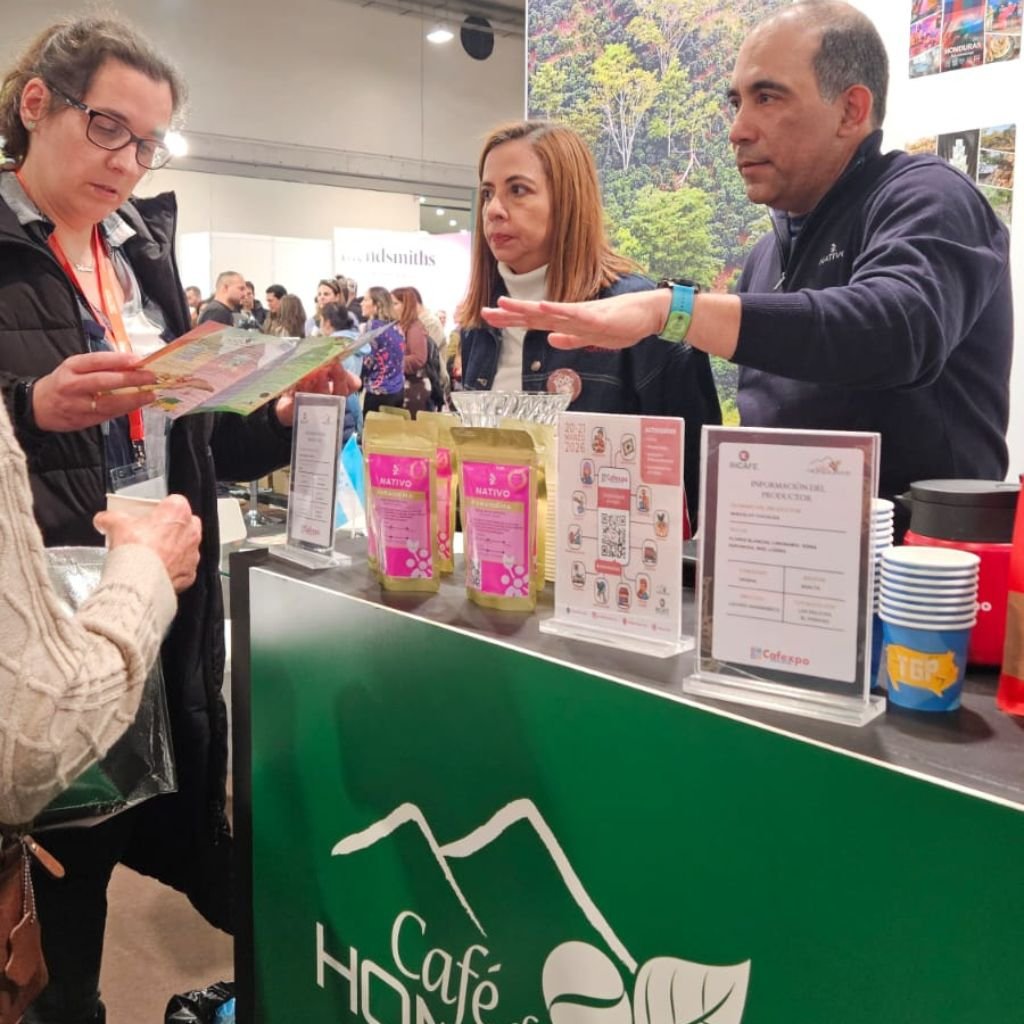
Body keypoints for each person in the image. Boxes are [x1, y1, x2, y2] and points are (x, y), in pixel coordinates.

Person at [0, 16, 357, 1023]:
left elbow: (187, 439)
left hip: (167, 606)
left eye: (147, 142)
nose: (127, 160)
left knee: (164, 846)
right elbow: (38, 422)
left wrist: (279, 421)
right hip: (45, 625)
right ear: (37, 105)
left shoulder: (142, 252)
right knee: (52, 917)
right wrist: (30, 406)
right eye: (108, 128)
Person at [482, 2, 1012, 525]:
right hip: (780, 574)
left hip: (919, 583)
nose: (738, 128)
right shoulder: (766, 257)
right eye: (736, 102)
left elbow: (896, 329)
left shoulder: (929, 197)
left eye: (767, 97)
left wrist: (674, 310)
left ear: (851, 110)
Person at [460, 120, 721, 517]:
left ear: (567, 200)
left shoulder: (639, 313)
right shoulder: (478, 327)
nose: (494, 210)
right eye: (487, 193)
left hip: (610, 564)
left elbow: (692, 490)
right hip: (499, 563)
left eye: (518, 190)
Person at [0, 400, 202, 826]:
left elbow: (203, 443)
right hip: (89, 636)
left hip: (142, 650)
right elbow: (25, 756)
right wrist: (148, 575)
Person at [360, 286, 406, 413]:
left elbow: (367, 361)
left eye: (365, 300)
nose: (361, 303)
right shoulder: (397, 326)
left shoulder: (373, 326)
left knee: (373, 431)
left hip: (378, 392)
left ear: (377, 305)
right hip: (398, 390)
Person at [391, 285, 435, 417]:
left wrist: (390, 363)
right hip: (401, 386)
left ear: (406, 306)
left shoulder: (414, 328)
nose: (391, 307)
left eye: (395, 304)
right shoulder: (397, 326)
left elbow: (418, 358)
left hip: (413, 390)